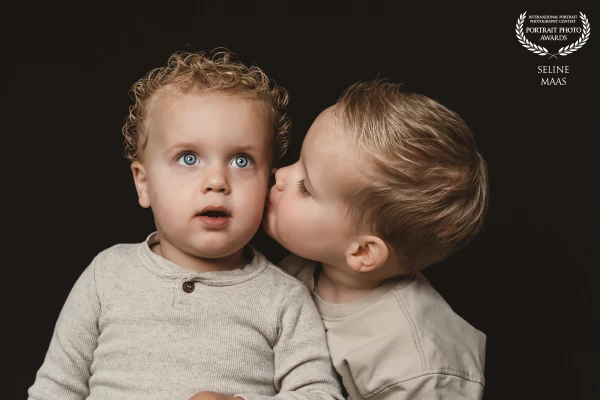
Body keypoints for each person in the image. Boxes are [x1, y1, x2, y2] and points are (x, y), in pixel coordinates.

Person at [28, 50, 343, 400]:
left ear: (267, 183)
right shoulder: (107, 275)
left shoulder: (283, 299)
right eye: (188, 158)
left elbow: (319, 394)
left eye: (241, 160)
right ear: (143, 183)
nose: (216, 181)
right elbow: (55, 389)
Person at [264, 80, 488, 400]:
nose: (281, 175)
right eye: (298, 160)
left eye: (306, 186)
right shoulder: (302, 268)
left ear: (363, 252)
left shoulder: (418, 366)